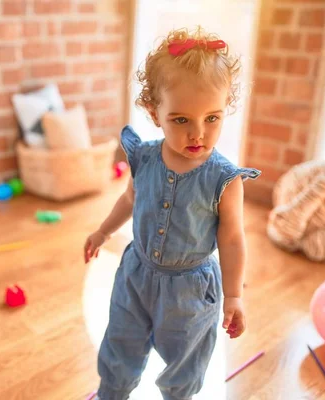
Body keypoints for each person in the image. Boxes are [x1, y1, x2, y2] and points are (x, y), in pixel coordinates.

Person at [84, 26, 261, 400]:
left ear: (226, 107)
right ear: (154, 112)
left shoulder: (226, 180)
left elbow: (231, 238)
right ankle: (111, 393)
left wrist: (233, 296)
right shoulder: (144, 158)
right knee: (120, 344)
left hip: (190, 291)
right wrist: (102, 232)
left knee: (185, 361)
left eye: (212, 118)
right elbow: (129, 200)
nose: (198, 133)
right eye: (181, 120)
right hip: (136, 274)